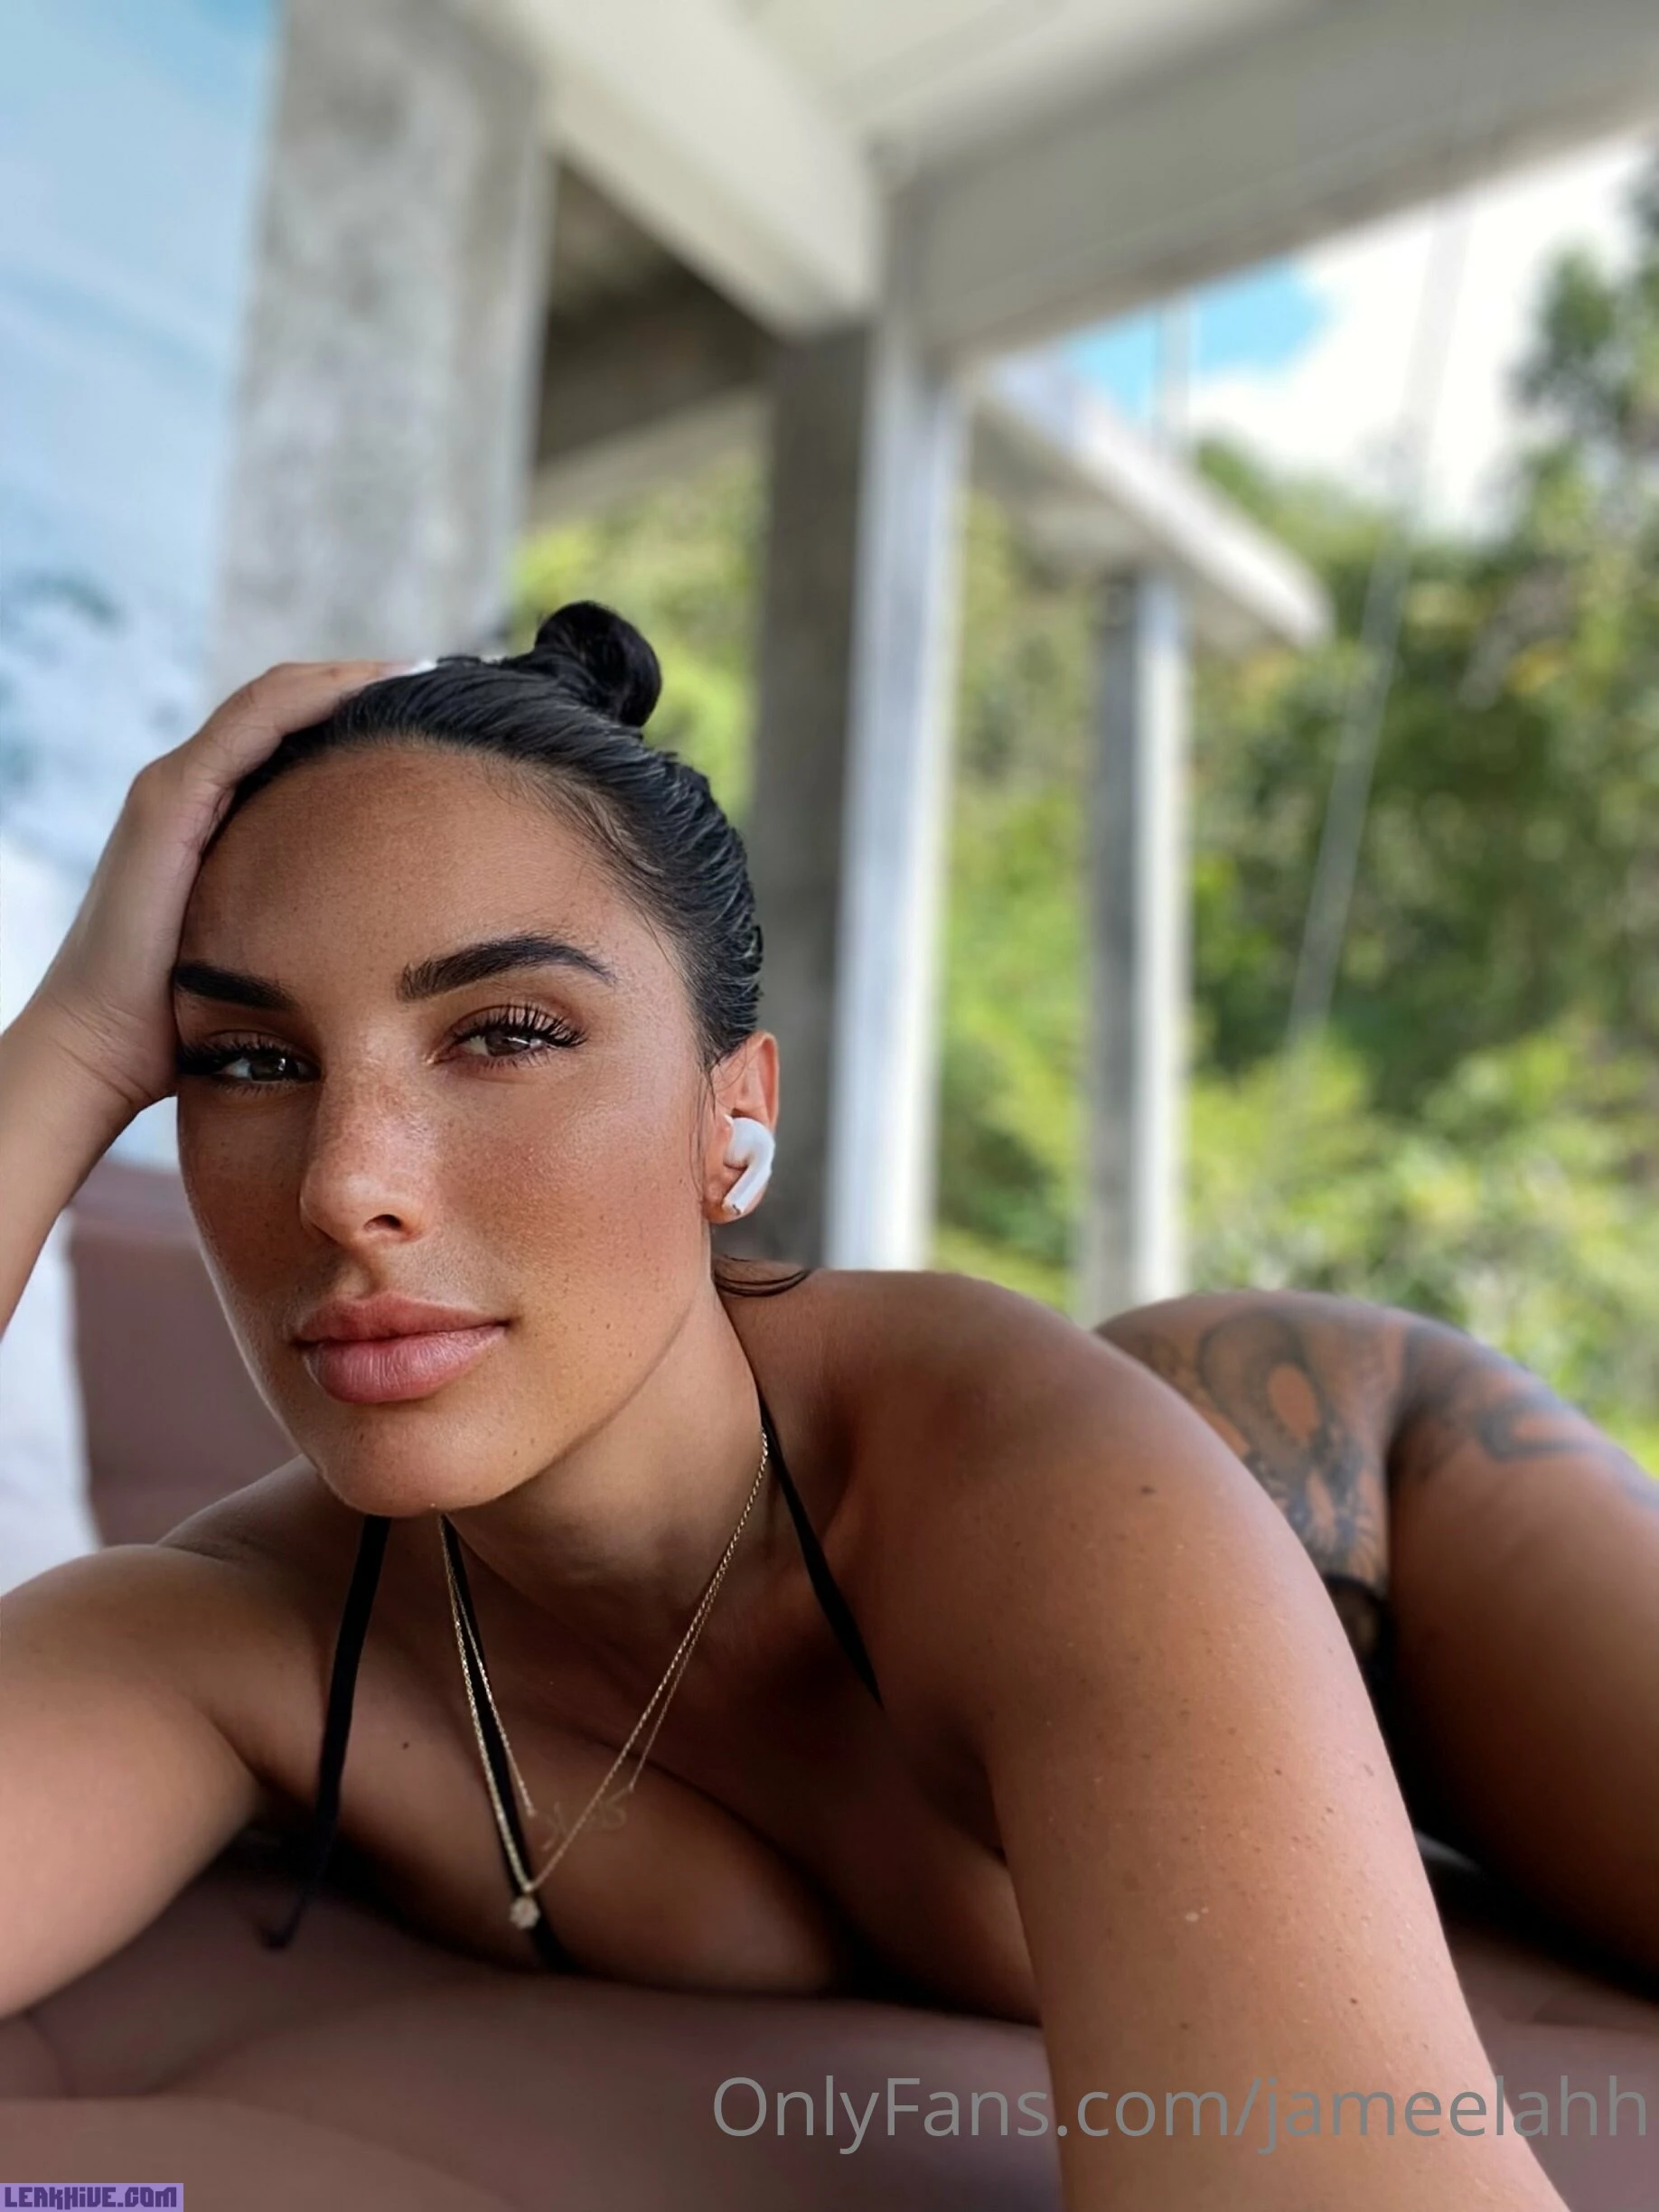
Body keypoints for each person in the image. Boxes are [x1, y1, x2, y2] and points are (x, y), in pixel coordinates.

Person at [0, 604, 1652, 2211]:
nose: (346, 1187)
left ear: (730, 1119)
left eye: (503, 1033)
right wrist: (71, 1044)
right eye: (247, 1061)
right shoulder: (241, 1637)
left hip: (1369, 1517)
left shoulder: (1038, 1507)